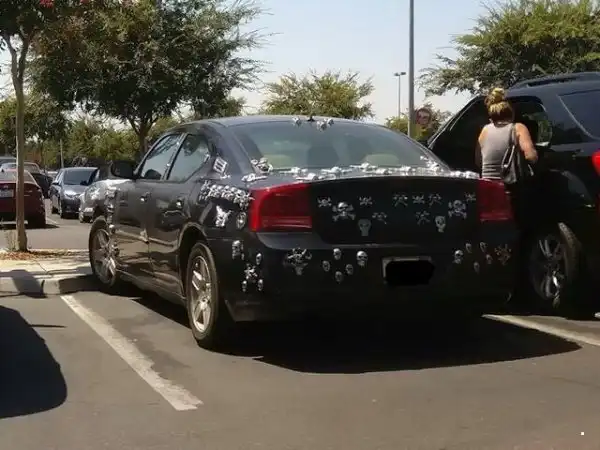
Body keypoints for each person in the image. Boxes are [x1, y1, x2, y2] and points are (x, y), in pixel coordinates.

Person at [476, 87, 538, 227]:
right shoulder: (518, 128)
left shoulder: (484, 131)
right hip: (511, 188)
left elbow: (478, 161)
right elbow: (531, 156)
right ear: (511, 113)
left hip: (488, 188)